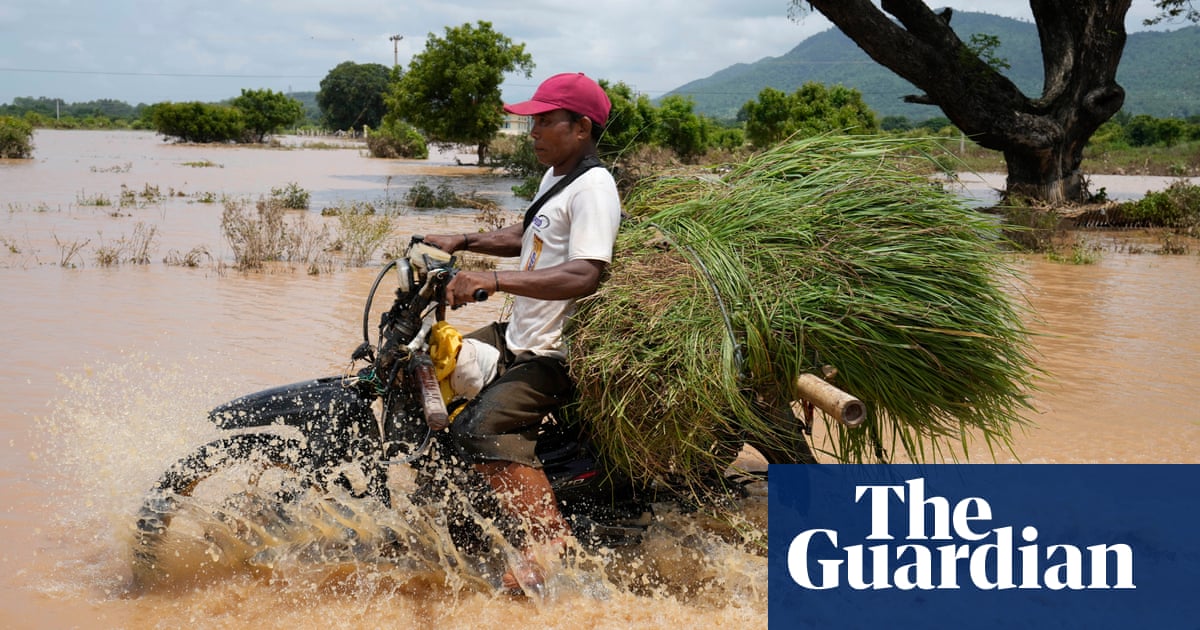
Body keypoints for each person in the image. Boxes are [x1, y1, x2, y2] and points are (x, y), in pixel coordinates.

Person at [422, 72, 621, 595]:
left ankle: (549, 542)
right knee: (426, 373)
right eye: (530, 120)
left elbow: (585, 273)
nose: (531, 131)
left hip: (556, 352)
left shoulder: (595, 187)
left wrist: (490, 279)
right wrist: (464, 238)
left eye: (543, 120)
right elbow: (526, 233)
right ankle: (461, 512)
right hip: (519, 332)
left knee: (479, 428)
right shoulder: (557, 176)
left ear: (580, 126)